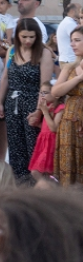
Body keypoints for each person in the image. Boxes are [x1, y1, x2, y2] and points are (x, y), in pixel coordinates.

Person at [0, 17, 52, 182]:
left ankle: (36, 184)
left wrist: (38, 110)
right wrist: (0, 101)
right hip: (12, 102)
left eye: (31, 37)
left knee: (33, 145)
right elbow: (5, 77)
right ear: (17, 35)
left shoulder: (44, 53)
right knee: (15, 145)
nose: (28, 40)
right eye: (24, 36)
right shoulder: (12, 51)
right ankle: (19, 182)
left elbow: (45, 85)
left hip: (32, 102)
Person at [51, 24, 83, 186]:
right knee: (68, 169)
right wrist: (77, 78)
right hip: (69, 123)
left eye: (77, 40)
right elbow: (55, 92)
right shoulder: (69, 66)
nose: (72, 44)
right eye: (71, 41)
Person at [28, 84, 62, 180]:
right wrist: (36, 124)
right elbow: (46, 126)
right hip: (43, 143)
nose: (42, 95)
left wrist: (45, 112)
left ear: (56, 94)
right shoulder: (47, 106)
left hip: (52, 143)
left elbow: (53, 128)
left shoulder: (60, 109)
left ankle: (47, 189)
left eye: (45, 92)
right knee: (38, 171)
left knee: (39, 171)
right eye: (41, 93)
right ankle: (47, 189)